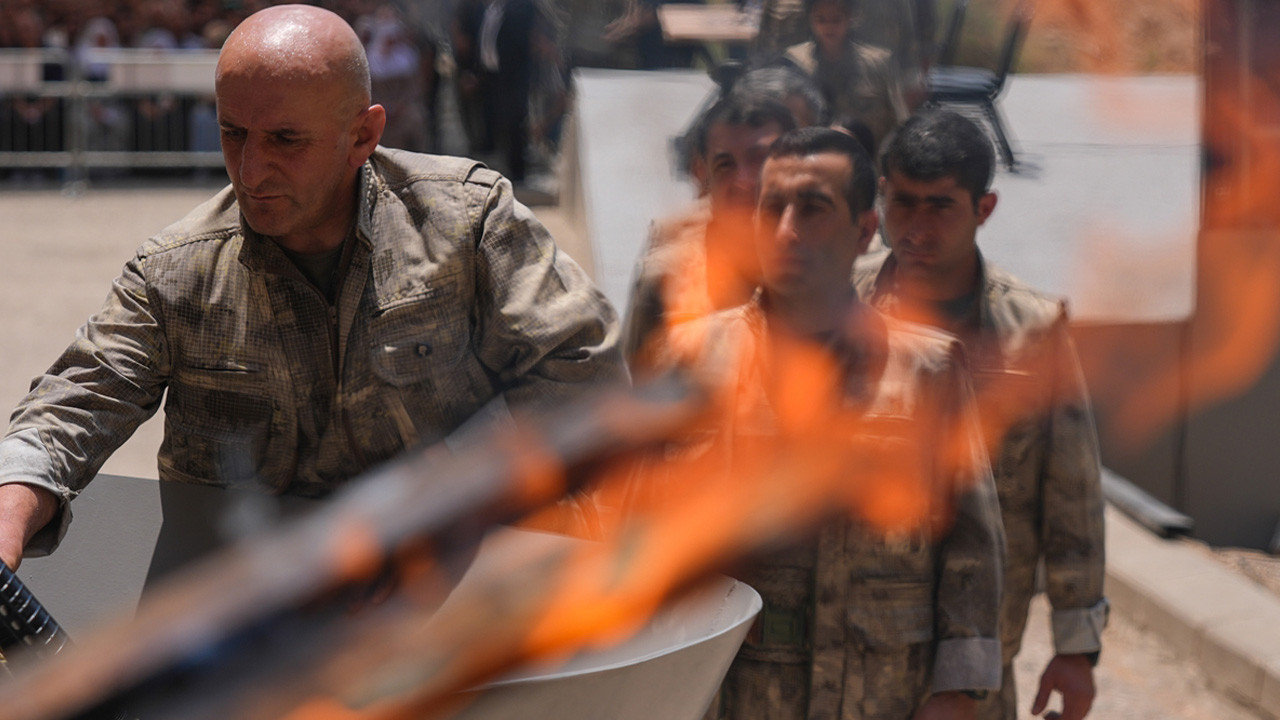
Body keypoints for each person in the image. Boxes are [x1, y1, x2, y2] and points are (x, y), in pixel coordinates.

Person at [0, 4, 625, 572]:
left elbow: (582, 369)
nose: (250, 171)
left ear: (363, 136)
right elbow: (75, 401)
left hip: (454, 595)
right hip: (246, 614)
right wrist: (10, 509)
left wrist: (464, 491)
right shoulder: (175, 271)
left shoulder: (466, 224)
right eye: (232, 133)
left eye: (285, 139)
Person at [657, 127, 1004, 719]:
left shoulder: (927, 367)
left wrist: (957, 690)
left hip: (880, 694)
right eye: (772, 208)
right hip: (737, 697)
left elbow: (971, 541)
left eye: (813, 209)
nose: (787, 230)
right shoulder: (692, 359)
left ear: (865, 230)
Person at [854, 109, 1108, 720]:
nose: (916, 227)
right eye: (902, 202)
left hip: (982, 654)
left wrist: (1076, 647)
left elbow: (1072, 494)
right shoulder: (840, 308)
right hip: (857, 648)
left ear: (983, 209)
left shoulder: (1032, 331)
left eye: (940, 206)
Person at [620, 90, 796, 371]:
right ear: (700, 172)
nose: (743, 181)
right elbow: (641, 382)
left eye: (759, 160)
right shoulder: (666, 279)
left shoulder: (833, 263)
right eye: (725, 165)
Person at [779, 0, 908, 157]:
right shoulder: (795, 63)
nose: (829, 27)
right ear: (811, 20)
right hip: (813, 159)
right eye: (821, 20)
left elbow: (898, 121)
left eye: (836, 19)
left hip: (867, 160)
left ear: (850, 19)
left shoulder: (877, 64)